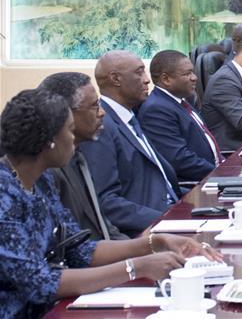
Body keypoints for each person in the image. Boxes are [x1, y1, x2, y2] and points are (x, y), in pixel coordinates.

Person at [0, 89, 221, 318]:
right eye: (69, 129)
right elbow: (41, 283)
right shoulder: (4, 197)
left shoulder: (43, 180)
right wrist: (137, 267)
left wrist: (155, 242)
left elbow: (80, 250)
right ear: (49, 142)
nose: (74, 137)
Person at [79, 51, 183, 236]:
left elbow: (157, 180)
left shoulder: (129, 117)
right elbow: (106, 202)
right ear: (116, 79)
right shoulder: (101, 126)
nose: (147, 80)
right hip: (147, 231)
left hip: (171, 212)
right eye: (139, 72)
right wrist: (167, 218)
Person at [38, 73, 128, 241]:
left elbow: (105, 228)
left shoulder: (77, 156)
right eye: (95, 106)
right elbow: (73, 247)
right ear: (64, 113)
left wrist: (145, 247)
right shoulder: (49, 170)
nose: (102, 113)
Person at [139, 50, 220, 183]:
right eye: (187, 74)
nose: (195, 77)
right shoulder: (156, 109)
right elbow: (180, 160)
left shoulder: (180, 101)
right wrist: (221, 172)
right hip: (195, 185)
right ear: (166, 79)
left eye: (192, 72)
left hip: (212, 174)